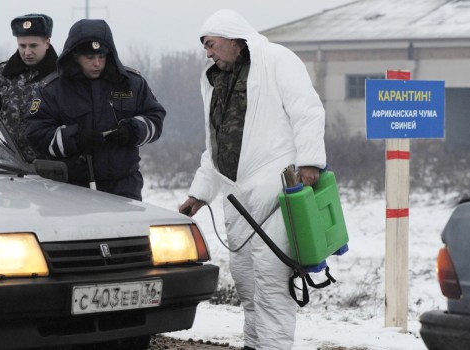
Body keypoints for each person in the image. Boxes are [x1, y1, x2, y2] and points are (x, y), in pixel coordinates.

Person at [178, 9, 327, 350]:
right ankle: (254, 344)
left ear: (233, 38)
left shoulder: (276, 60)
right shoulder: (215, 81)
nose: (208, 52)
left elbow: (307, 110)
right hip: (237, 197)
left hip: (277, 190)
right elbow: (214, 146)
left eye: (212, 44)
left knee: (272, 284)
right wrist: (199, 194)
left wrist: (309, 162)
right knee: (246, 283)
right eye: (205, 46)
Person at [25, 19, 165, 201]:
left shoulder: (132, 83)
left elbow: (155, 118)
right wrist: (74, 138)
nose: (97, 63)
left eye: (101, 56)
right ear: (75, 56)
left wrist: (133, 130)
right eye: (89, 58)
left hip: (124, 186)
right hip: (69, 189)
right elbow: (36, 133)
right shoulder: (52, 89)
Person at [0, 13, 58, 163]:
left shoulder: (61, 77)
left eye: (33, 46)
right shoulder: (2, 74)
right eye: (22, 46)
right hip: (7, 165)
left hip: (48, 167)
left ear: (47, 43)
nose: (27, 52)